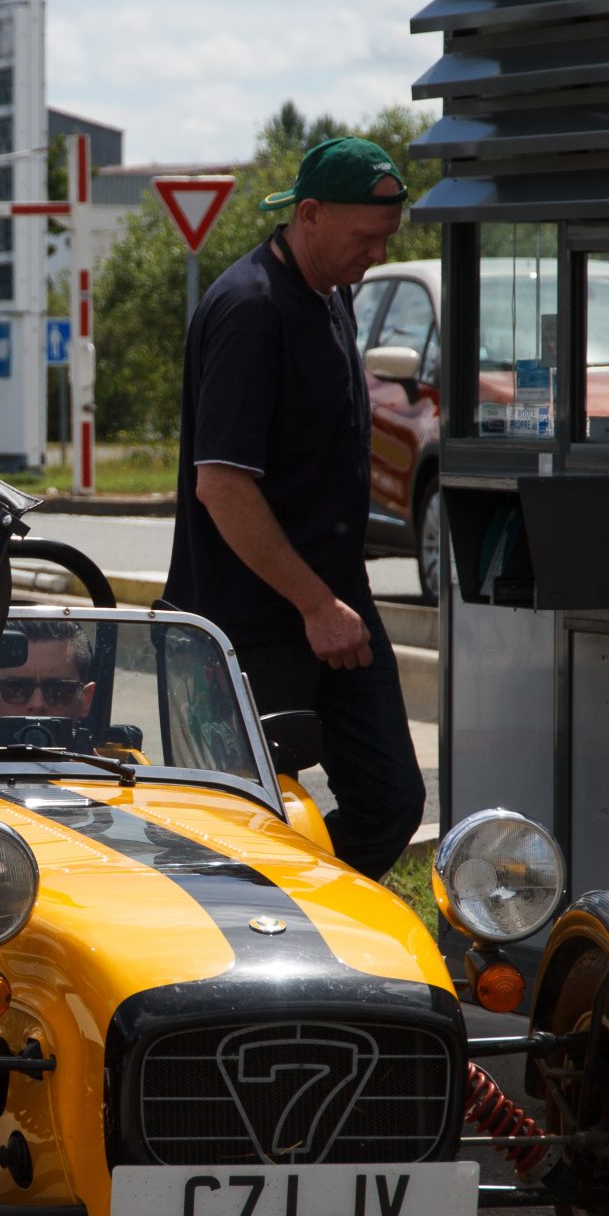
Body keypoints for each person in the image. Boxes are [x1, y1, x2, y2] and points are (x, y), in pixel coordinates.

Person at [164, 135, 425, 880]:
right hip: (252, 622)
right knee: (240, 830)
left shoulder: (333, 293)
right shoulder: (249, 309)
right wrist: (315, 604)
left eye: (387, 237)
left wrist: (333, 601)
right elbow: (222, 485)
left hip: (337, 603)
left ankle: (317, 913)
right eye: (364, 237)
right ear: (308, 215)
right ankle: (268, 942)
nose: (375, 254)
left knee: (391, 799)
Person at [0, 620, 95, 723]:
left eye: (58, 690)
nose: (37, 704)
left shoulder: (106, 751)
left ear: (86, 698)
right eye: (16, 689)